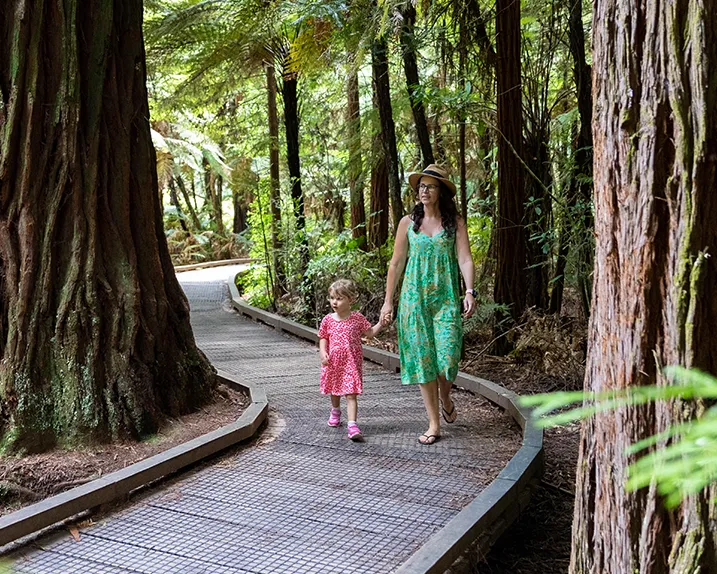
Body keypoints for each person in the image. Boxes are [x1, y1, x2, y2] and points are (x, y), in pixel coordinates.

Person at [380, 164, 476, 445]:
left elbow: (465, 259)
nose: (424, 190)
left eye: (430, 186)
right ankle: (434, 423)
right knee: (423, 362)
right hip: (414, 300)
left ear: (441, 192)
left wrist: (470, 291)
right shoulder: (408, 223)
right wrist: (388, 302)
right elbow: (396, 264)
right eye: (421, 186)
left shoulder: (454, 222)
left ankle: (445, 394)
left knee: (447, 361)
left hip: (445, 298)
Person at [319, 279, 386, 441]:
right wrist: (323, 353)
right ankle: (335, 410)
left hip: (351, 362)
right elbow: (323, 337)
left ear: (351, 300)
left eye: (339, 298)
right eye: (332, 298)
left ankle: (352, 425)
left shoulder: (357, 318)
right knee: (335, 390)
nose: (334, 302)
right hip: (334, 361)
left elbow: (369, 333)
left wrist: (381, 324)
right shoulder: (328, 319)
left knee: (351, 394)